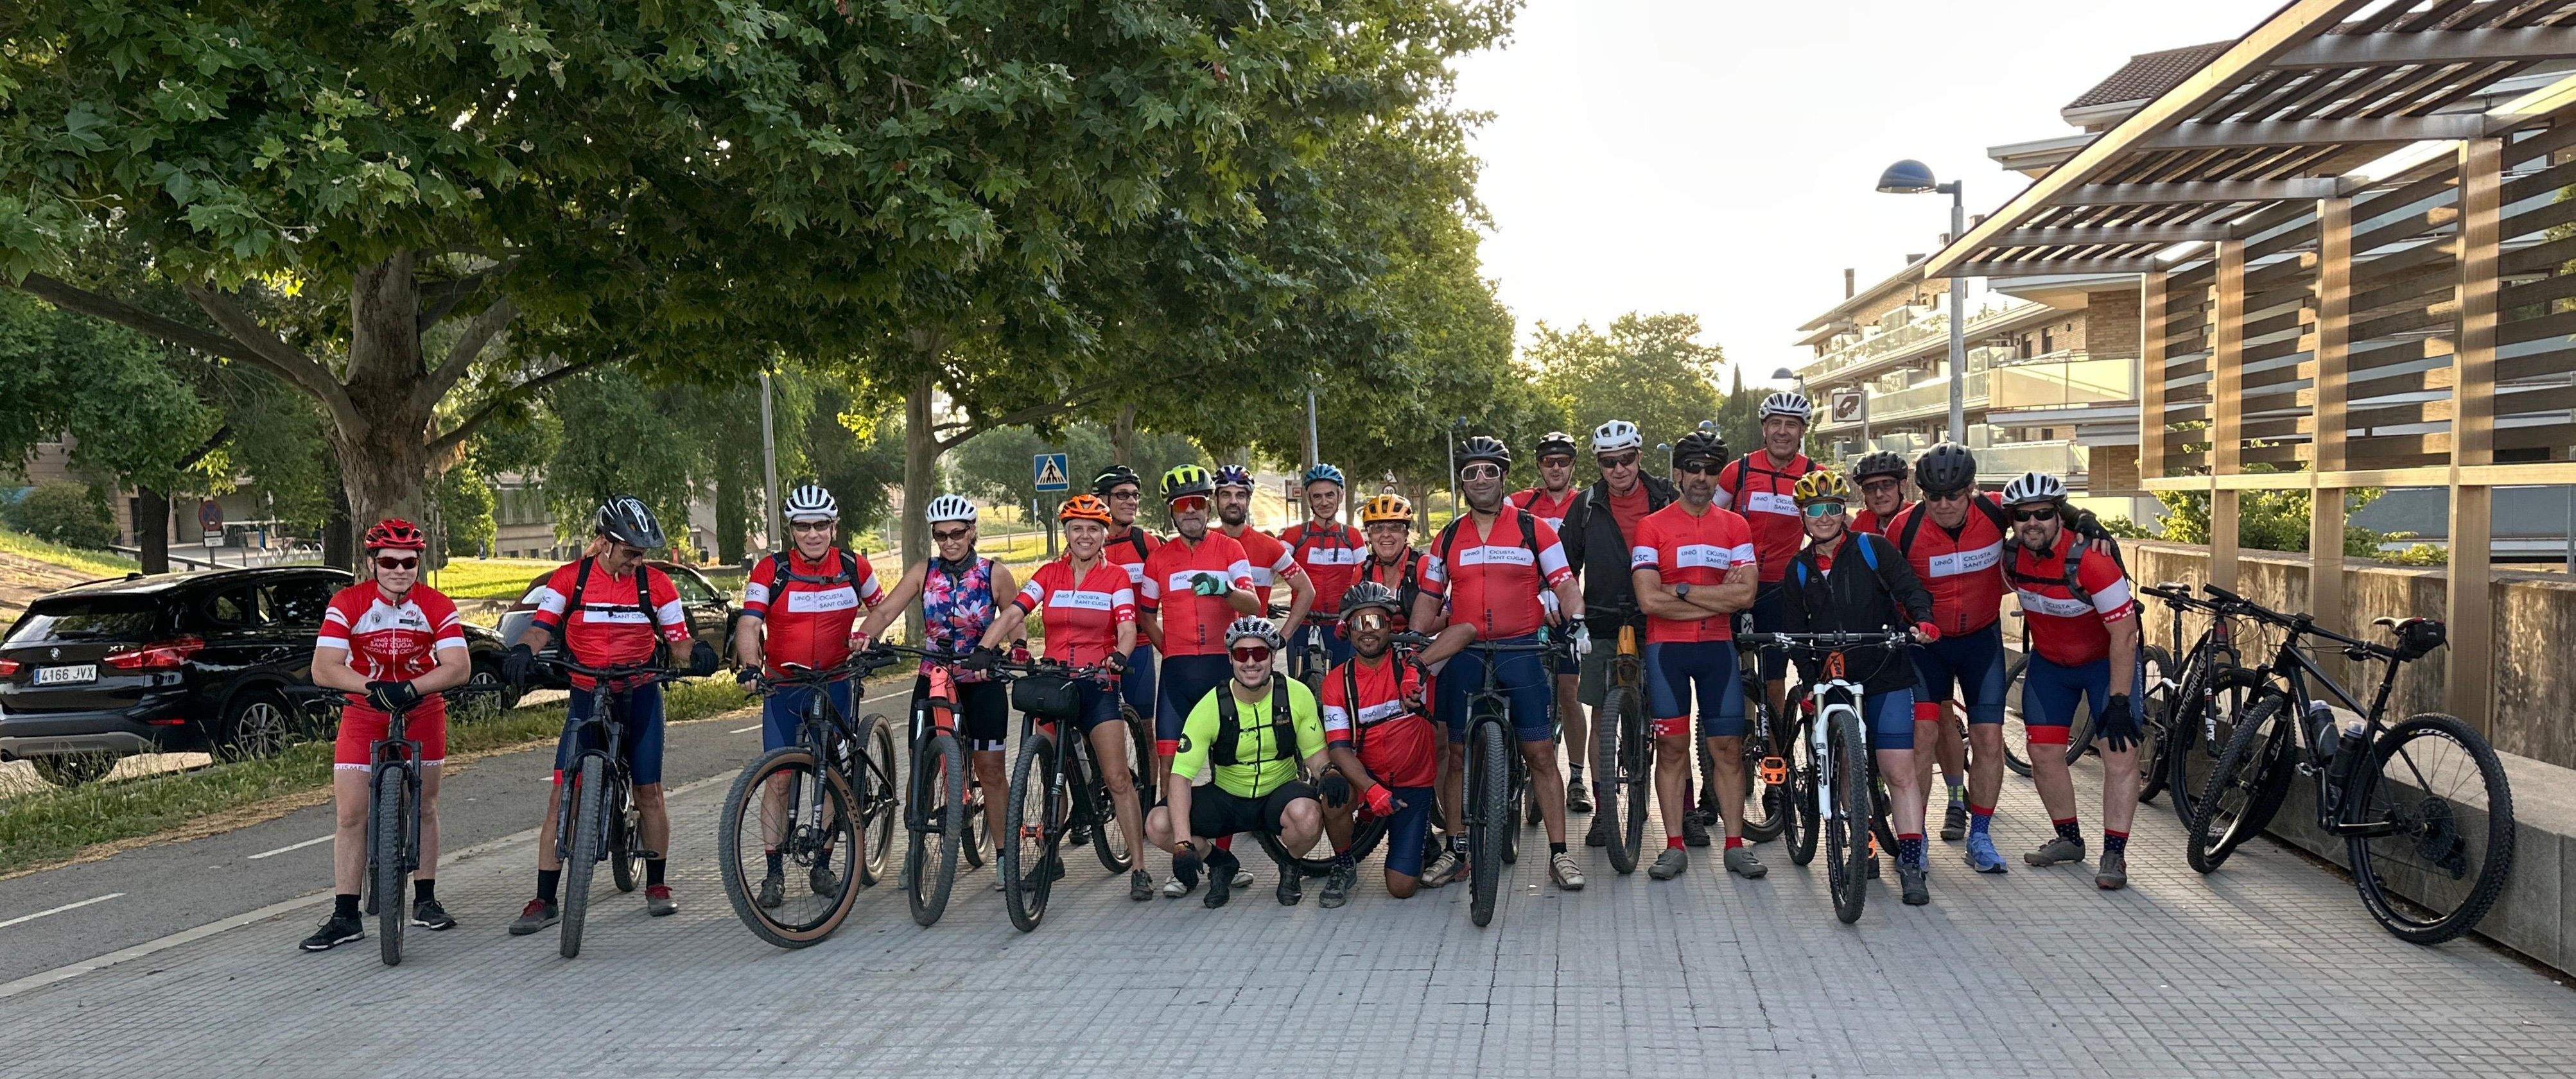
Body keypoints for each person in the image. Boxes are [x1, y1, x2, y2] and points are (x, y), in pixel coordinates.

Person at [504, 496, 716, 934]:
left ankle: (657, 884)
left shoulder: (656, 584)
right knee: (561, 796)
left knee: (649, 792)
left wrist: (697, 652)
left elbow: (677, 640)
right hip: (586, 693)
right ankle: (545, 899)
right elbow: (541, 628)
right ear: (603, 542)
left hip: (639, 692)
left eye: (643, 554)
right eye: (630, 552)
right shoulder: (570, 579)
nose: (637, 561)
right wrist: (524, 650)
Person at [1412, 435, 1588, 892]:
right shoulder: (1448, 536)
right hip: (1465, 654)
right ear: (1462, 481)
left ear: (1504, 476)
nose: (1480, 479)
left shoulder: (1534, 529)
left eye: (1489, 470)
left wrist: (1578, 621)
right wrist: (1415, 640)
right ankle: (1457, 850)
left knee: (1541, 754)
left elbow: (1565, 583)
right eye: (1471, 472)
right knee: (1455, 755)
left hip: (1521, 650)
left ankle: (1559, 854)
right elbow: (1429, 599)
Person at [300, 519, 472, 951]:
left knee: (425, 806)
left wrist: (412, 688)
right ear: (372, 563)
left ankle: (426, 899)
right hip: (364, 711)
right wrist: (371, 688)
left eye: (409, 562)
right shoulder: (348, 602)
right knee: (350, 814)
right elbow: (324, 667)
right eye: (390, 561)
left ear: (419, 564)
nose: (399, 570)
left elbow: (458, 666)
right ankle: (345, 915)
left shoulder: (436, 604)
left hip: (422, 709)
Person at [974, 494, 1152, 901]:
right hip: (1054, 683)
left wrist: (1121, 655)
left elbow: (1127, 628)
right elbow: (1015, 612)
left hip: (1097, 681)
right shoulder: (1049, 573)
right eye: (1077, 529)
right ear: (1066, 533)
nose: (1085, 536)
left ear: (1103, 535)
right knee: (1047, 772)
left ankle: (1140, 868)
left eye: (1093, 529)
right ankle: (1049, 855)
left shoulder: (1116, 578)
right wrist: (985, 647)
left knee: (1117, 777)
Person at [1776, 470, 1940, 905]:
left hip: (1885, 671)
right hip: (1834, 679)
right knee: (1847, 764)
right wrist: (1809, 680)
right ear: (1802, 516)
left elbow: (1910, 587)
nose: (1824, 517)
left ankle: (1911, 863)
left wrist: (1923, 620)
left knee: (1899, 770)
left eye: (1833, 507)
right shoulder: (1798, 569)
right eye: (1815, 509)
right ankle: (1862, 844)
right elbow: (1796, 632)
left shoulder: (1872, 548)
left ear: (1844, 511)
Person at [731, 484, 884, 910]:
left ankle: (823, 864)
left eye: (820, 525)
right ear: (792, 530)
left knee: (831, 774)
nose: (812, 534)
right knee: (778, 779)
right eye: (803, 526)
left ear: (834, 528)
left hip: (836, 682)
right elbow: (749, 623)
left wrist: (867, 638)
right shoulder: (771, 570)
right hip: (785, 686)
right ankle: (774, 872)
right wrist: (751, 664)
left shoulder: (854, 567)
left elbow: (881, 608)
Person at [852, 494, 1018, 878]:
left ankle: (1004, 856)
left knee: (991, 770)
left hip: (980, 679)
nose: (949, 542)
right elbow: (886, 610)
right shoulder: (923, 571)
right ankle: (917, 853)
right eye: (940, 536)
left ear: (972, 531)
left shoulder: (995, 573)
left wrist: (1019, 648)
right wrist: (863, 637)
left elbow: (1016, 617)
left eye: (957, 533)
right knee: (922, 767)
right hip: (934, 678)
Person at [1999, 471, 2145, 890]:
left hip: (2104, 664)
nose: (2033, 523)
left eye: (2043, 513)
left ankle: (2114, 853)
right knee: (2043, 753)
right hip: (2051, 665)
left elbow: (2125, 634)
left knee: (2120, 752)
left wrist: (2119, 699)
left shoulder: (2091, 559)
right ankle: (2069, 839)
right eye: (2023, 515)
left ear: (2059, 515)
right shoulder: (2010, 558)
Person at [1626, 431, 1760, 881]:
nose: (1702, 477)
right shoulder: (1652, 527)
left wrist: (1681, 589)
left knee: (1728, 748)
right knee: (1672, 748)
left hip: (1717, 649)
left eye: (1711, 470)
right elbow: (1649, 601)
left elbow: (1746, 596)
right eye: (1693, 469)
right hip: (1667, 649)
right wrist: (1719, 597)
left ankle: (1736, 846)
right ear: (1678, 474)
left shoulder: (1735, 526)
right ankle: (1673, 846)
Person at [1884, 443, 2016, 871]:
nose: (1943, 504)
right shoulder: (1904, 528)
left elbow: (2049, 513)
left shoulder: (1996, 511)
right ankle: (1916, 836)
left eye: (1953, 495)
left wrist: (2088, 526)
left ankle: (1980, 836)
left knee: (1989, 738)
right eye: (1933, 496)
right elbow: (1885, 586)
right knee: (1922, 736)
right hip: (1927, 647)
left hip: (1981, 641)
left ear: (1972, 489)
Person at [1136, 464, 1262, 897]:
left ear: (1208, 506)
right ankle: (1184, 857)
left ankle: (1224, 859)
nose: (1190, 511)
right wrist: (1169, 648)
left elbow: (1253, 603)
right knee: (1172, 768)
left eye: (1197, 502)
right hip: (1177, 674)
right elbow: (1145, 614)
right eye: (1181, 505)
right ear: (1171, 512)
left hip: (1220, 670)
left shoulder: (1229, 548)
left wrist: (1223, 589)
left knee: (1226, 767)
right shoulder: (1158, 558)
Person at [1145, 616, 1330, 908]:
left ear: (1272, 656)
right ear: (1231, 658)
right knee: (1158, 824)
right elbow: (1181, 777)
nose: (1251, 662)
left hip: (1279, 793)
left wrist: (1329, 773)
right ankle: (1221, 862)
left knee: (1308, 816)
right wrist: (1182, 844)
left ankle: (1290, 864)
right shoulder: (1211, 705)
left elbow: (1315, 754)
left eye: (1260, 653)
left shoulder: (1296, 695)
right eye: (1242, 654)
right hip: (1228, 797)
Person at [1558, 418, 1679, 848]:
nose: (1619, 468)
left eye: (1627, 458)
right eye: (1609, 462)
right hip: (1604, 620)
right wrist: (1566, 610)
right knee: (1600, 717)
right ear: (1599, 464)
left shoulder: (1666, 496)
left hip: (1659, 619)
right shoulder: (1587, 505)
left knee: (1669, 721)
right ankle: (1604, 810)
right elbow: (1564, 567)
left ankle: (1683, 814)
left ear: (1639, 456)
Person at [1315, 582, 1473, 906]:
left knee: (1401, 888)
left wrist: (1418, 668)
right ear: (1348, 629)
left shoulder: (1413, 663)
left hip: (1413, 786)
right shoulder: (1336, 682)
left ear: (1390, 626)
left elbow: (1466, 630)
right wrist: (1371, 790)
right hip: (1367, 780)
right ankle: (1344, 862)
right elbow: (1339, 749)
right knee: (1334, 794)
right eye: (1359, 623)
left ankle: (1417, 839)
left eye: (1376, 621)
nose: (1368, 630)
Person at [1850, 449, 1968, 844]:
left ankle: (1955, 799)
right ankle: (1892, 798)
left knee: (1940, 718)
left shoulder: (1922, 516)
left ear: (1903, 486)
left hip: (1926, 629)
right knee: (1897, 723)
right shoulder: (1859, 526)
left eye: (1887, 485)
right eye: (1871, 488)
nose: (1879, 493)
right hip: (1886, 632)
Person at [1712, 392, 1818, 725]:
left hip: (1780, 589)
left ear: (1802, 432)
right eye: (1775, 424)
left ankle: (1775, 754)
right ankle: (1739, 744)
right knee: (1734, 676)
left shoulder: (1814, 474)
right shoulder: (1737, 471)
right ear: (1764, 428)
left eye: (1791, 425)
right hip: (1734, 585)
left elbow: (1833, 526)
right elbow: (1710, 520)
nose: (1782, 432)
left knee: (1774, 681)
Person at [1511, 431, 1590, 816]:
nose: (1556, 468)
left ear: (1573, 465)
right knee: (1526, 691)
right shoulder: (1520, 503)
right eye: (1548, 461)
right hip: (1531, 606)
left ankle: (1576, 778)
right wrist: (1539, 596)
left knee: (1569, 693)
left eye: (1563, 461)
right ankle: (1525, 770)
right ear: (1539, 466)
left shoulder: (1586, 503)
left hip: (1569, 606)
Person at [1212, 463, 1314, 646]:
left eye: (1240, 495)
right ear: (1215, 499)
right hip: (1212, 649)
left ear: (1249, 499)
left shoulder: (1269, 546)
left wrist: (1283, 637)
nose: (1233, 501)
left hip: (1255, 650)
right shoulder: (1203, 543)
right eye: (1226, 495)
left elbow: (1307, 590)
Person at [1279, 463, 1365, 678]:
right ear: (1309, 499)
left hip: (1341, 626)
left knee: (1344, 683)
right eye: (1317, 496)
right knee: (1299, 684)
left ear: (1340, 496)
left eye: (1330, 495)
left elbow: (1367, 576)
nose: (1324, 502)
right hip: (1302, 623)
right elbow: (1270, 566)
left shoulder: (1352, 537)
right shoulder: (1295, 535)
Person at [1095, 465, 1162, 736]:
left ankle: (1147, 770)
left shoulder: (1147, 544)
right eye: (1122, 495)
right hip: (1097, 647)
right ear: (1103, 499)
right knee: (1092, 726)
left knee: (1145, 729)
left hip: (1139, 646)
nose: (1132, 501)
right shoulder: (1086, 542)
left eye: (1135, 495)